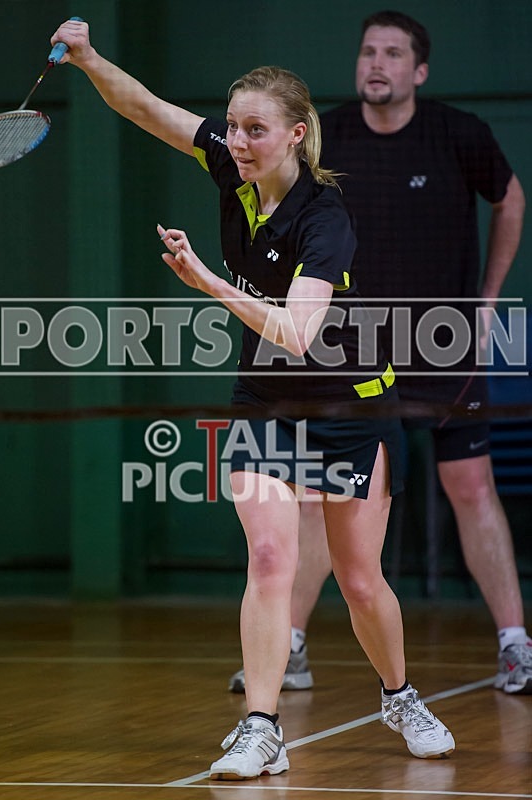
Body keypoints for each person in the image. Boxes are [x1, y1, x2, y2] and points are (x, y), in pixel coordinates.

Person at [52, 18, 456, 779]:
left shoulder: (325, 221)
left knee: (360, 579)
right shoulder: (230, 169)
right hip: (267, 404)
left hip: (350, 410)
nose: (235, 142)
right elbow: (144, 108)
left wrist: (207, 281)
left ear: (295, 136)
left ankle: (398, 695)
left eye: (253, 130)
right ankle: (260, 727)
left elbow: (297, 331)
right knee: (269, 558)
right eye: (231, 128)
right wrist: (89, 58)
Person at [227, 9, 530, 698]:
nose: (376, 64)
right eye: (368, 51)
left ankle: (515, 642)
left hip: (439, 344)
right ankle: (289, 645)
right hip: (345, 356)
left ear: (417, 72)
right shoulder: (325, 146)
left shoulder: (458, 135)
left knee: (471, 486)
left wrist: (485, 299)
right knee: (310, 502)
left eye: (393, 54)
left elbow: (509, 201)